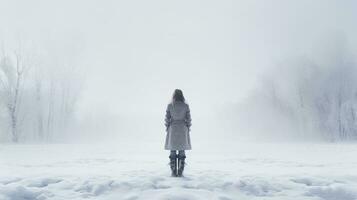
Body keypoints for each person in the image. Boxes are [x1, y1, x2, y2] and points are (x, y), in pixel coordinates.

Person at [164, 89, 192, 177]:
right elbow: (188, 118)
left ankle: (173, 171)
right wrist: (188, 127)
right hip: (183, 128)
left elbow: (167, 118)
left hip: (173, 128)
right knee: (181, 149)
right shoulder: (185, 106)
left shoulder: (170, 106)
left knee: (172, 149)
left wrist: (167, 127)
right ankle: (180, 171)